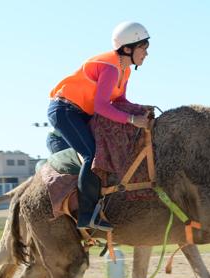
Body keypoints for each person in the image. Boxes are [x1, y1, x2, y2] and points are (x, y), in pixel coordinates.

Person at [46, 21, 152, 232]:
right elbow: (102, 106)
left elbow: (120, 102)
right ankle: (86, 214)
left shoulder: (125, 71)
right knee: (91, 154)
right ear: (128, 48)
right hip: (64, 111)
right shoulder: (111, 68)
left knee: (102, 151)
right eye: (143, 48)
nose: (146, 54)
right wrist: (132, 120)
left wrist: (140, 108)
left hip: (80, 113)